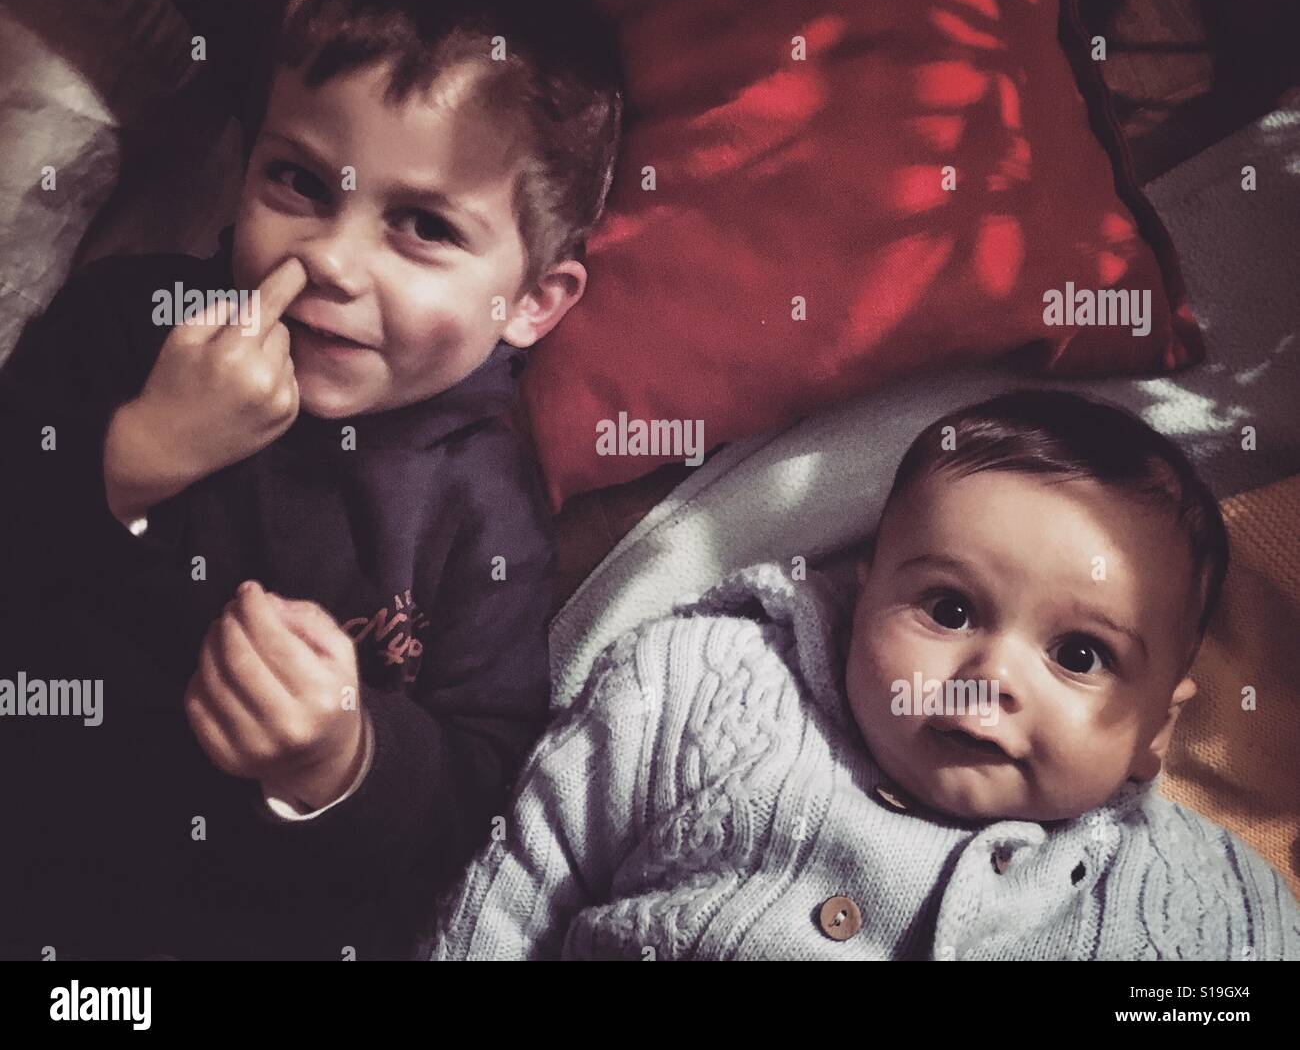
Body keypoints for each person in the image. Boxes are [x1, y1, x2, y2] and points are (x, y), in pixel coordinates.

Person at [0, 0, 624, 958]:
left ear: (532, 303)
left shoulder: (487, 508)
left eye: (424, 226)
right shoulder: (129, 326)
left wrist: (344, 761)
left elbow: (482, 784)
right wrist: (135, 456)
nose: (330, 258)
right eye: (296, 181)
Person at [431, 391, 1300, 960]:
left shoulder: (1198, 902)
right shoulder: (701, 686)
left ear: (1155, 730)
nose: (989, 674)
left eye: (1079, 656)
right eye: (949, 609)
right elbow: (520, 885)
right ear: (860, 592)